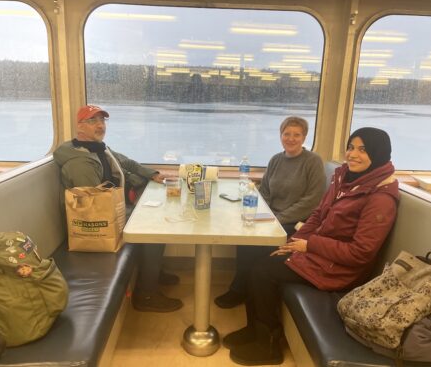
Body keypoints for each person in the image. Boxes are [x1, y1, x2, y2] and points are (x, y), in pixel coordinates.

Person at [224, 127, 400, 366]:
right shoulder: (345, 180)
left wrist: (309, 245)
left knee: (262, 273)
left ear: (379, 154)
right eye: (350, 147)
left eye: (362, 150)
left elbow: (360, 253)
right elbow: (317, 215)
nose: (353, 154)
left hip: (340, 270)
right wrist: (293, 244)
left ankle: (268, 345)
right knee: (259, 262)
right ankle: (254, 329)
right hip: (321, 256)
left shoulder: (380, 198)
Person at [53, 104, 183, 312]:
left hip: (117, 206)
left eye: (102, 121)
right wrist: (130, 209)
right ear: (80, 126)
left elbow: (128, 163)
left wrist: (152, 174)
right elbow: (93, 203)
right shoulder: (79, 162)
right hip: (98, 220)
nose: (100, 125)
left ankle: (154, 271)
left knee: (158, 214)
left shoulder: (100, 148)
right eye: (93, 121)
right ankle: (146, 295)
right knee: (153, 227)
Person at [215, 116, 326, 309]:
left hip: (296, 221)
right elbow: (265, 191)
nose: (291, 139)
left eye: (296, 135)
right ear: (280, 135)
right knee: (244, 234)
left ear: (304, 137)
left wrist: (276, 218)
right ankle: (240, 288)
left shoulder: (313, 161)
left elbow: (312, 201)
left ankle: (242, 289)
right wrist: (258, 213)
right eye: (287, 134)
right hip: (272, 216)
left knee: (255, 241)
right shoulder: (276, 160)